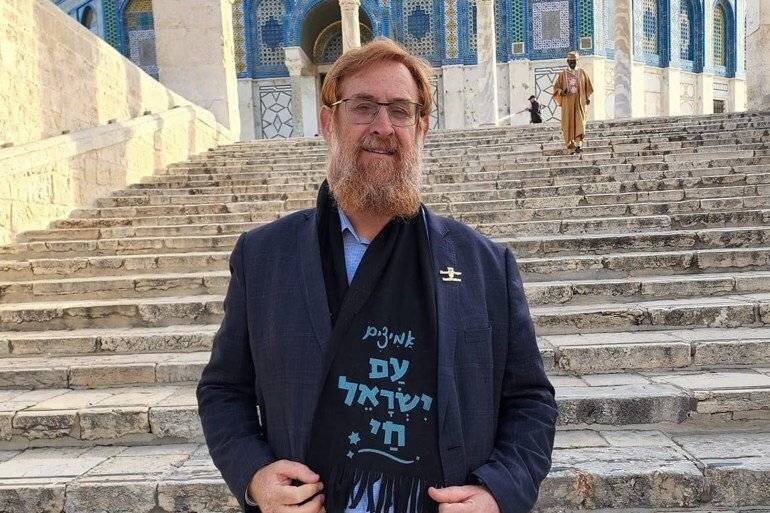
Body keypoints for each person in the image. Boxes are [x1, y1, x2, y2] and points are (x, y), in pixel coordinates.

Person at [197, 38, 557, 513]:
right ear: (329, 122)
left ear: (422, 128)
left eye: (401, 111)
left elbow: (530, 401)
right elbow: (224, 390)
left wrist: (499, 491)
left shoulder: (483, 264)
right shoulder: (265, 257)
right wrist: (255, 477)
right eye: (363, 107)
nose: (383, 127)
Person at [552, 51, 593, 154]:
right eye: (570, 61)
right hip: (568, 103)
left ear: (577, 61)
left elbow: (588, 86)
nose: (572, 63)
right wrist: (562, 92)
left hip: (579, 103)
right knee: (568, 124)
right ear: (567, 61)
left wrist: (587, 97)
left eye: (574, 61)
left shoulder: (582, 72)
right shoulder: (563, 74)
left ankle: (579, 144)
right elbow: (556, 88)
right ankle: (570, 146)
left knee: (580, 123)